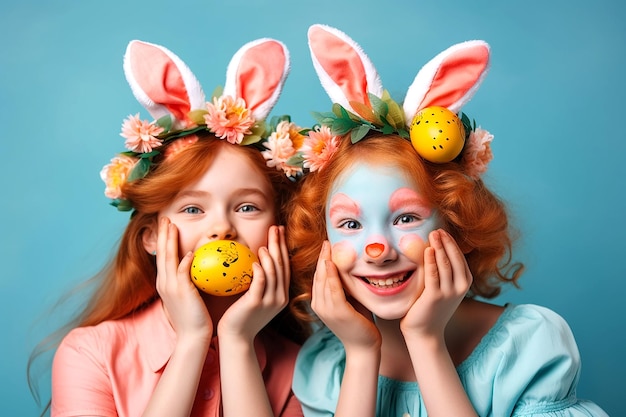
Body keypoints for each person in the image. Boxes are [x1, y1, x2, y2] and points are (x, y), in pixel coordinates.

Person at [285, 24, 609, 417]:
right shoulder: (326, 366)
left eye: (406, 217)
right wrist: (360, 354)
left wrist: (426, 341)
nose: (378, 250)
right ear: (322, 240)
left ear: (457, 224)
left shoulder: (528, 347)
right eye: (351, 225)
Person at [30, 38, 309, 417]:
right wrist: (193, 340)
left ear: (279, 229)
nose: (222, 228)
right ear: (150, 237)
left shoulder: (303, 367)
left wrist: (237, 342)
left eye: (246, 207)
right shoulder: (90, 353)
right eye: (193, 208)